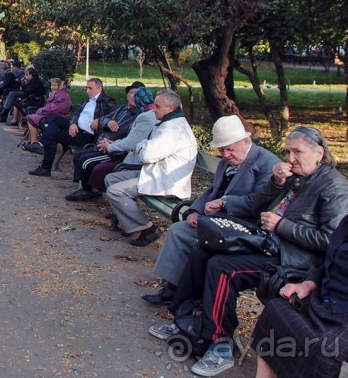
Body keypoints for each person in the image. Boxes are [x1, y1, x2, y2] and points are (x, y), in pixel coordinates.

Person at [149, 126, 348, 377]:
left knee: (223, 268)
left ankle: (219, 343)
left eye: (297, 152)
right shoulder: (296, 176)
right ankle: (185, 321)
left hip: (291, 259)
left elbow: (331, 241)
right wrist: (275, 183)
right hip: (265, 242)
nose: (290, 159)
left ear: (319, 152)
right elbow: (256, 206)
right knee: (203, 251)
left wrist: (282, 226)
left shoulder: (333, 187)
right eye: (287, 152)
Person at [141, 115, 280, 304]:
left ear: (245, 140)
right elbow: (212, 190)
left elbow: (259, 203)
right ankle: (172, 287)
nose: (225, 155)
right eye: (221, 150)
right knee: (179, 231)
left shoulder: (266, 163)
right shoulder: (227, 161)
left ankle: (191, 296)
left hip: (243, 226)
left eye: (229, 149)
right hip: (215, 220)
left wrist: (224, 202)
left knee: (202, 245)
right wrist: (195, 210)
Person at [251, 213, 348, 378]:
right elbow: (327, 261)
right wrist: (307, 283)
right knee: (276, 310)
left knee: (321, 349)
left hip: (343, 313)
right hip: (326, 299)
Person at [103, 89, 197, 246]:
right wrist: (144, 145)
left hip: (166, 181)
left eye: (158, 106)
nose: (154, 108)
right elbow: (147, 148)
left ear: (170, 108)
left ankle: (148, 229)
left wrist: (142, 145)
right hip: (155, 173)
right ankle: (130, 224)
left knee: (115, 191)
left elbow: (146, 155)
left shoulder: (172, 130)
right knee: (111, 178)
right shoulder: (169, 124)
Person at [64, 82, 148, 200]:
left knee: (86, 161)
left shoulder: (140, 115)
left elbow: (130, 140)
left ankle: (89, 190)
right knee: (79, 155)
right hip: (102, 142)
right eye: (131, 93)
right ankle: (86, 187)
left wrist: (111, 144)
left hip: (115, 149)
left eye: (136, 94)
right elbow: (102, 118)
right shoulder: (121, 109)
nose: (133, 96)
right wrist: (108, 122)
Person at [28, 77, 116, 177]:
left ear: (99, 89)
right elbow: (77, 113)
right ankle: (43, 148)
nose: (87, 91)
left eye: (90, 88)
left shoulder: (107, 101)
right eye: (86, 88)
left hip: (88, 135)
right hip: (76, 128)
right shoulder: (89, 100)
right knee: (57, 119)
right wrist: (73, 123)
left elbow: (114, 116)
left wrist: (100, 120)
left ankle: (45, 165)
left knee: (51, 136)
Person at [21, 78, 72, 146]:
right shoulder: (57, 94)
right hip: (52, 116)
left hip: (57, 118)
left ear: (59, 86)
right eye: (52, 85)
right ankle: (32, 142)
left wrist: (40, 111)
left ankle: (34, 143)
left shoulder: (61, 96)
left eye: (55, 85)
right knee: (31, 117)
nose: (53, 87)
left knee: (31, 118)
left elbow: (53, 109)